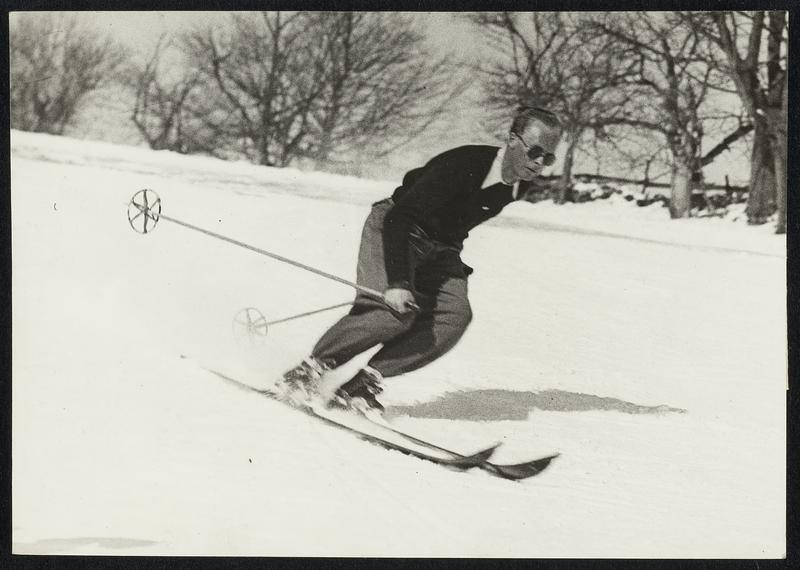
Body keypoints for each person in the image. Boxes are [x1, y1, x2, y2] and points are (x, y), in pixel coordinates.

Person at [279, 106, 563, 414]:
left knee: (453, 316)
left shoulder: (518, 186)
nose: (538, 163)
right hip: (396, 228)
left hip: (441, 247)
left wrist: (447, 262)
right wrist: (399, 282)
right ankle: (306, 372)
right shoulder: (463, 163)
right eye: (534, 151)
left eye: (548, 157)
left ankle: (362, 384)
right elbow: (401, 216)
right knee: (391, 313)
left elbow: (458, 222)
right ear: (511, 139)